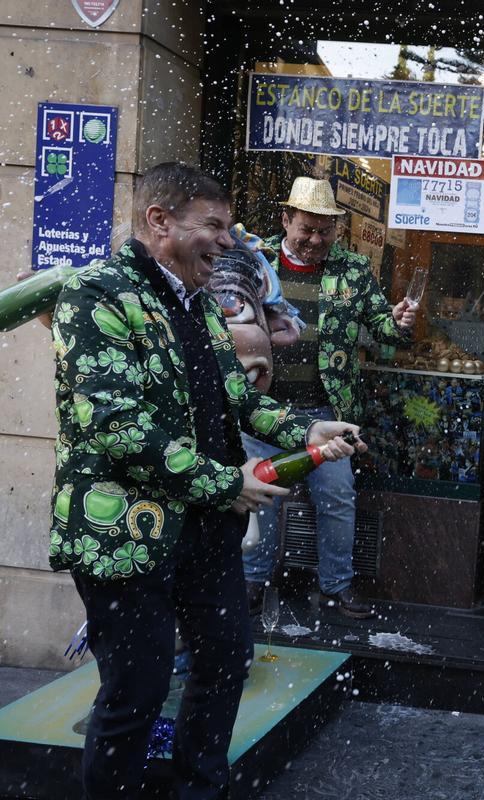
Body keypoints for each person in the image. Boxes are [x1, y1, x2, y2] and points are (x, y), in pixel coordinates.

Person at [48, 162, 364, 799]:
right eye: (213, 226)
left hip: (204, 531)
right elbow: (116, 427)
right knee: (135, 693)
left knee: (224, 664)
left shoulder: (200, 299)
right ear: (159, 222)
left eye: (228, 227)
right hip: (124, 535)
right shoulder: (96, 294)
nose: (227, 241)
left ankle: (201, 790)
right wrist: (225, 482)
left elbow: (239, 400)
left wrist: (307, 432)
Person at [241, 176, 416, 620]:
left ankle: (336, 588)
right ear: (286, 220)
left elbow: (384, 330)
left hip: (327, 413)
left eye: (325, 230)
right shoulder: (256, 265)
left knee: (337, 499)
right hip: (264, 412)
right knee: (262, 501)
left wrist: (399, 319)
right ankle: (252, 584)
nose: (316, 239)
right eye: (307, 229)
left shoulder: (353, 269)